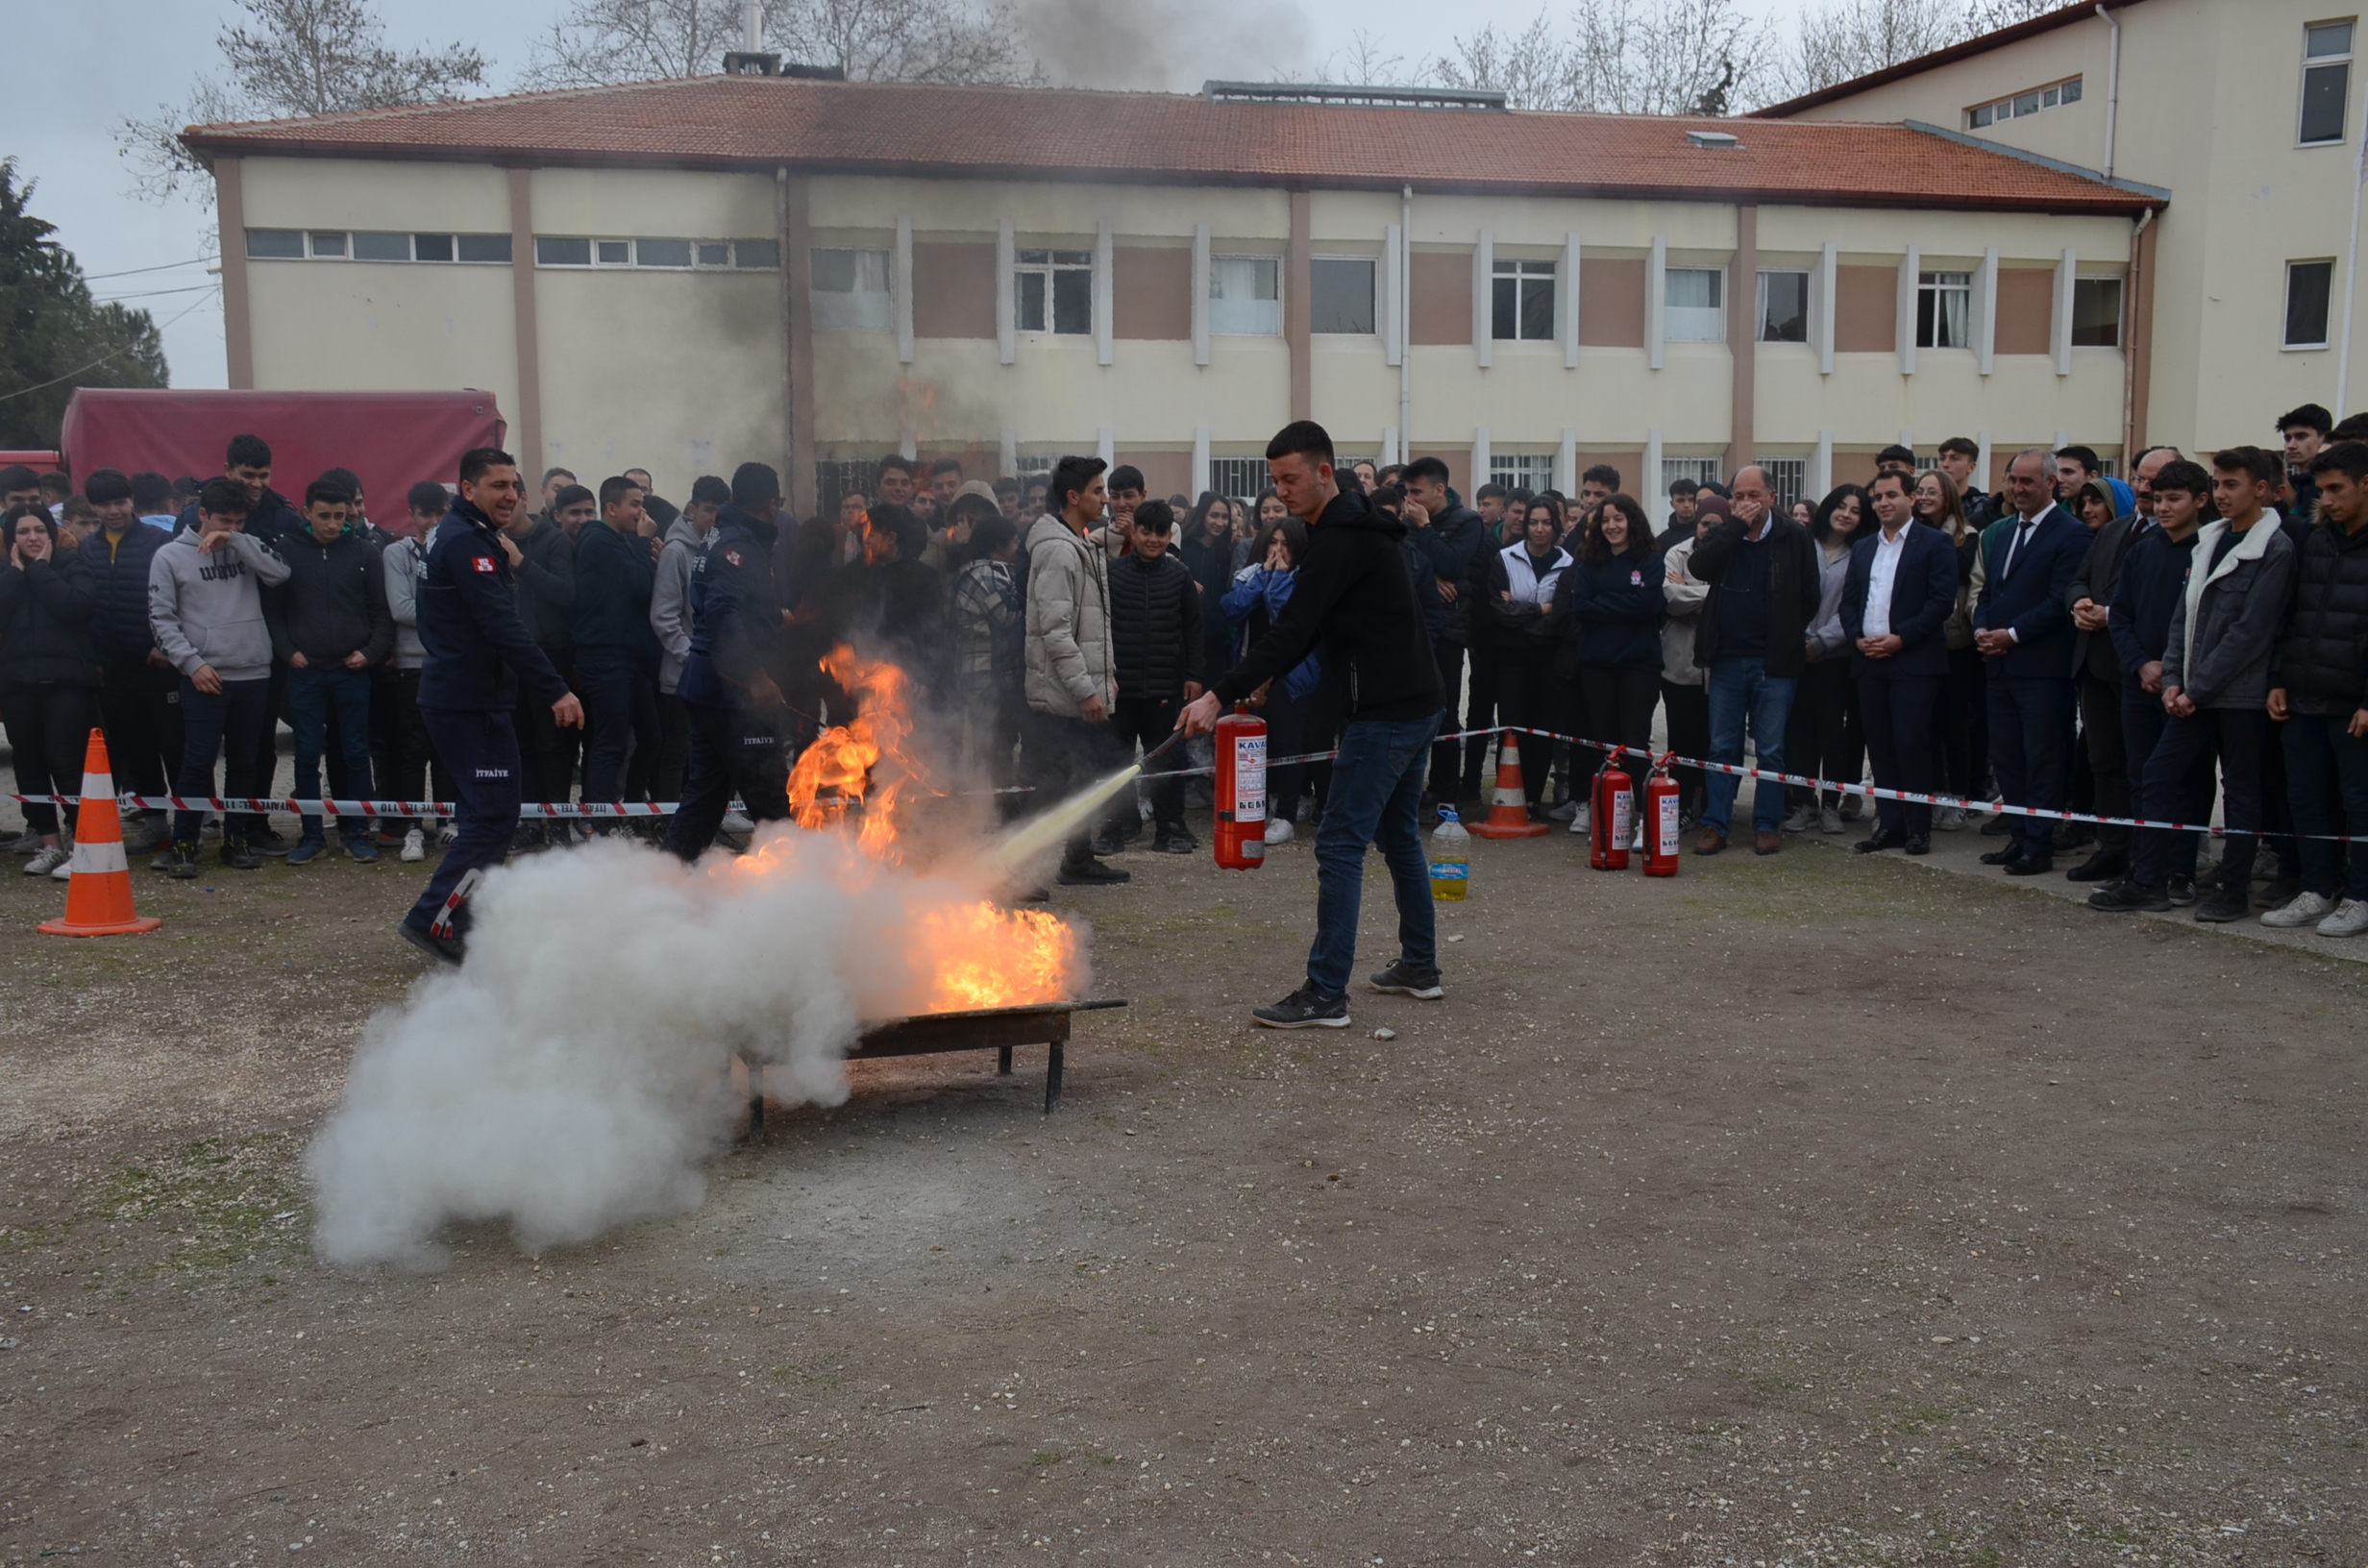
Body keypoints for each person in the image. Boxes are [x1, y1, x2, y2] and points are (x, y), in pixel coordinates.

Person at [1178, 421, 1444, 1030]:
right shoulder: (1351, 529)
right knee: (1398, 834)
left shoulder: (1339, 540)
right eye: (1275, 480)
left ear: (1325, 472)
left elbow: (1293, 627)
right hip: (1415, 700)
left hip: (1388, 711)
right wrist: (1265, 679)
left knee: (1340, 843)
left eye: (1291, 478)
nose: (1282, 491)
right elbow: (1320, 626)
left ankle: (1325, 993)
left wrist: (1220, 693)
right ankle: (1420, 966)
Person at [2093, 449, 2298, 921]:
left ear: (2260, 490)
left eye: (2231, 485)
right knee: (2157, 775)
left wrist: (2194, 688)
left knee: (2240, 792)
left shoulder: (2275, 548)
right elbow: (2184, 618)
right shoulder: (2211, 539)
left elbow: (2250, 632)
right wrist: (2173, 678)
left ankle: (2231, 889)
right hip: (2190, 692)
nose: (2222, 494)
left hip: (2238, 696)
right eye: (2218, 484)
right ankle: (2149, 880)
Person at [403, 449, 584, 960]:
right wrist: (555, 689)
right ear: (468, 489)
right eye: (497, 485)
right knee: (493, 818)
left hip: (470, 696)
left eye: (513, 486)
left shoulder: (470, 535)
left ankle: (462, 921)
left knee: (487, 815)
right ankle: (436, 919)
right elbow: (502, 626)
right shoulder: (467, 542)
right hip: (469, 702)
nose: (510, 496)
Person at [148, 478, 292, 877]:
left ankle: (236, 838)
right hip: (204, 674)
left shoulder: (247, 546)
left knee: (246, 762)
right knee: (197, 763)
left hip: (254, 670)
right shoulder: (169, 556)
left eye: (239, 521)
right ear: (202, 515)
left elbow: (281, 573)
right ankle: (184, 841)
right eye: (223, 521)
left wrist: (238, 540)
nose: (231, 528)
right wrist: (191, 664)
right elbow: (161, 619)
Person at [2096, 459, 2215, 910]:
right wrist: (2139, 664)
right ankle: (2145, 868)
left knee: (2186, 780)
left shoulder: (2208, 551)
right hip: (2139, 682)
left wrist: (2174, 674)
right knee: (2140, 776)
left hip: (2185, 689)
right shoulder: (2142, 550)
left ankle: (2180, 872)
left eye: (2174, 499)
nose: (2163, 507)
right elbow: (2120, 614)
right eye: (2158, 499)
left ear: (2199, 501)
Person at [662, 464, 794, 864]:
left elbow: (733, 604)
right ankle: (800, 884)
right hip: (733, 694)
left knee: (705, 797)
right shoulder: (740, 545)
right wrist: (757, 676)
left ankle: (665, 878)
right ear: (772, 505)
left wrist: (774, 618)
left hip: (707, 687)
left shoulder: (722, 533)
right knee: (772, 801)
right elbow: (722, 612)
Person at [1689, 465, 1822, 855]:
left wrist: (1786, 633)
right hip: (1727, 658)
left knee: (1771, 748)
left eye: (1754, 496)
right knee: (1722, 746)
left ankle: (1767, 824)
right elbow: (1699, 567)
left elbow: (1810, 595)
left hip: (1775, 662)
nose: (1746, 503)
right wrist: (1734, 528)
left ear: (1771, 498)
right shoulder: (1724, 534)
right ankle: (1716, 824)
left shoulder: (1793, 535)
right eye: (1739, 497)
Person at [2264, 439, 2368, 936]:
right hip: (2302, 694)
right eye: (2322, 490)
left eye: (2336, 489)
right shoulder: (2314, 539)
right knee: (2304, 799)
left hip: (2354, 704)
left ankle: (2361, 897)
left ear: (2366, 484)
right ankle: (2316, 889)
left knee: (2359, 802)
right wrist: (2277, 678)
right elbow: (2289, 615)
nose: (2326, 500)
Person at [1974, 449, 2090, 875]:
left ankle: (2040, 844)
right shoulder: (2003, 533)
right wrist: (1982, 628)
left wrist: (2013, 634)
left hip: (2042, 669)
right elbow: (1990, 591)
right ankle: (2020, 835)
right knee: (2008, 757)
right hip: (1999, 666)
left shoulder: (2072, 534)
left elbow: (2059, 600)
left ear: (2050, 483)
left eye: (2027, 481)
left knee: (2042, 757)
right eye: (2013, 480)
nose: (2018, 489)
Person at [273, 477, 391, 864]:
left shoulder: (365, 552)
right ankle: (311, 834)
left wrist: (370, 653)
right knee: (307, 754)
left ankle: (357, 831)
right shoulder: (288, 551)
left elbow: (381, 612)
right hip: (306, 670)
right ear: (307, 512)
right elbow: (273, 610)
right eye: (324, 516)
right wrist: (288, 651)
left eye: (340, 516)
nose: (333, 524)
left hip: (351, 669)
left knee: (355, 752)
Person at [1022, 454, 1127, 886]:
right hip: (1062, 696)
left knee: (1082, 777)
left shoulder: (1079, 542)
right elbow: (1056, 632)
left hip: (1079, 688)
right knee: (1053, 784)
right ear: (1073, 496)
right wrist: (1085, 690)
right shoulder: (1059, 551)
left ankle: (1077, 859)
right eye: (1098, 491)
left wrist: (1104, 676)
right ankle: (1017, 871)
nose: (1106, 499)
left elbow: (1092, 626)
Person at [1842, 470, 1960, 854]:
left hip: (1913, 662)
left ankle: (1918, 827)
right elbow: (1850, 601)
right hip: (1869, 662)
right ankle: (1890, 825)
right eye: (1877, 497)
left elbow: (1941, 602)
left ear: (1911, 498)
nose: (1883, 503)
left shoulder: (1935, 543)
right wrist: (1857, 637)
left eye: (1891, 495)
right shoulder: (1864, 548)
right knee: (1880, 747)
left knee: (1911, 744)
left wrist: (1901, 637)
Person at [2062, 453, 2166, 884]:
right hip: (2097, 663)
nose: (2145, 488)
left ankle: (2150, 856)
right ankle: (2113, 847)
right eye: (2139, 478)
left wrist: (2112, 614)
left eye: (2155, 481)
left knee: (2144, 768)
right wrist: (2080, 604)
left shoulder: (2179, 538)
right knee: (2104, 761)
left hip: (2144, 667)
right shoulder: (2113, 530)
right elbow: (2078, 578)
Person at [77, 469, 178, 854]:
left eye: (120, 502)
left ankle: (196, 821)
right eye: (104, 504)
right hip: (114, 668)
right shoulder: (88, 549)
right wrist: (95, 659)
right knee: (135, 748)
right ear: (92, 507)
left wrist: (164, 645)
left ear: (131, 501)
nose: (113, 511)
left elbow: (181, 597)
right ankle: (155, 824)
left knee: (177, 747)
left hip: (159, 664)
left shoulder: (159, 542)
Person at [0, 505, 100, 879]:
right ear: (11, 538)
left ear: (52, 533)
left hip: (66, 682)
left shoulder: (71, 565)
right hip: (17, 683)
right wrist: (16, 574)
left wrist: (40, 570)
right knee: (28, 762)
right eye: (23, 531)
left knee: (66, 761)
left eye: (39, 530)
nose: (32, 538)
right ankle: (50, 844)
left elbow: (76, 606)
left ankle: (84, 842)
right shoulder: (6, 572)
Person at [1555, 493, 1664, 832]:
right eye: (1605, 520)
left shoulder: (1650, 560)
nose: (1612, 526)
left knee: (1634, 743)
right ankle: (1609, 820)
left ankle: (1644, 820)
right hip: (1597, 667)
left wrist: (1604, 603)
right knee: (1604, 744)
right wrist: (1626, 604)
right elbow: (1581, 607)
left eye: (1618, 519)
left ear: (1632, 521)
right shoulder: (1590, 561)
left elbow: (1649, 605)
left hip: (1639, 666)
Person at [1099, 499, 1202, 855]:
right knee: (1114, 761)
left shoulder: (1179, 575)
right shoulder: (1112, 574)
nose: (1153, 540)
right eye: (1146, 532)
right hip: (1119, 688)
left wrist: (1194, 675)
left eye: (1161, 533)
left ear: (1169, 535)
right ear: (1134, 532)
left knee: (1164, 761)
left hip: (1164, 688)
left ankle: (1170, 827)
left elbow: (1194, 630)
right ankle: (1114, 827)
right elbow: (1100, 630)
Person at [1222, 515, 1322, 845]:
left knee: (1288, 746)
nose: (1278, 550)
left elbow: (1285, 615)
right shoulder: (1250, 574)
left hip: (1292, 676)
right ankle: (1258, 809)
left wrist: (1277, 578)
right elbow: (1233, 610)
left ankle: (1286, 816)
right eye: (1273, 543)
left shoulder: (1305, 579)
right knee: (1254, 747)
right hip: (1251, 673)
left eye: (1286, 544)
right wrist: (1263, 577)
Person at [574, 475, 662, 830]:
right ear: (611, 508)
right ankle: (602, 825)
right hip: (605, 656)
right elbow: (638, 585)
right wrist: (643, 544)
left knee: (651, 737)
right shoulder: (598, 540)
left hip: (630, 656)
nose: (642, 512)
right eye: (635, 504)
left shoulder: (621, 540)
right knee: (611, 742)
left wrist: (648, 553)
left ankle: (632, 811)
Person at [1404, 456, 1492, 808]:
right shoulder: (1407, 520)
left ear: (1439, 490)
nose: (1410, 500)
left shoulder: (1468, 521)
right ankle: (1412, 790)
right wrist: (1432, 579)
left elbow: (1453, 563)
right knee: (1412, 712)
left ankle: (1446, 792)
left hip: (1449, 632)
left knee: (1445, 713)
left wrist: (1426, 529)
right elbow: (1403, 561)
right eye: (1407, 492)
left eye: (1417, 492)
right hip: (1414, 628)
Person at [1783, 484, 1869, 835]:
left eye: (1856, 510)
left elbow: (1856, 607)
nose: (1846, 514)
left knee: (1834, 735)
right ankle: (1804, 803)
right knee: (1799, 734)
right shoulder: (1804, 545)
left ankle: (1831, 804)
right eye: (1841, 506)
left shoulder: (1861, 553)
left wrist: (1821, 643)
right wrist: (1802, 641)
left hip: (1837, 657)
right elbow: (1789, 596)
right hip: (1797, 654)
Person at [503, 468, 579, 844]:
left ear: (524, 498)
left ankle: (559, 822)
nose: (505, 508)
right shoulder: (487, 541)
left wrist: (520, 562)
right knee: (520, 744)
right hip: (510, 658)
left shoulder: (552, 539)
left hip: (550, 657)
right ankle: (530, 822)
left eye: (510, 499)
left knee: (553, 744)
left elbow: (565, 594)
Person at [1484, 497, 1572, 820]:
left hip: (1550, 658)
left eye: (1546, 522)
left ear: (1556, 525)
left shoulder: (1569, 563)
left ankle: (1533, 799)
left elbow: (1562, 615)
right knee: (1512, 727)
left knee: (1542, 730)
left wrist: (1521, 613)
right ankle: (1507, 797)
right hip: (1512, 658)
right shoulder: (1505, 558)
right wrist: (1540, 609)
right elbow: (1500, 612)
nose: (1539, 529)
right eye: (1533, 522)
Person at [380, 480, 451, 861]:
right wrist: (451, 612)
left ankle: (446, 822)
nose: (433, 521)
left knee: (446, 748)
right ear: (412, 515)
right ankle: (412, 828)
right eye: (426, 514)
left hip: (451, 664)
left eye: (440, 513)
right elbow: (401, 609)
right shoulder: (396, 553)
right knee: (413, 749)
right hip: (411, 665)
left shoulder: (454, 549)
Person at [1912, 468, 1984, 830]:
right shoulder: (1909, 533)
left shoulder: (1966, 537)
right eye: (1920, 491)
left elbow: (1951, 575)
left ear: (1948, 497)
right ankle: (1935, 794)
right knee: (1927, 726)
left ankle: (1959, 797)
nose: (1924, 497)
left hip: (1955, 643)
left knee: (1955, 726)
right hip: (1919, 642)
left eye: (1932, 492)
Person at [652, 474, 728, 805]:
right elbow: (663, 616)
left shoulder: (722, 549)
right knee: (677, 751)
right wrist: (693, 656)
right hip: (682, 675)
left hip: (718, 673)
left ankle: (711, 815)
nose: (714, 518)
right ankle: (669, 817)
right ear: (692, 509)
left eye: (720, 511)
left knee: (711, 753)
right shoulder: (675, 552)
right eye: (709, 509)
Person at [950, 511, 1026, 793]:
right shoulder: (984, 574)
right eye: (1015, 542)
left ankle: (998, 802)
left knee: (997, 744)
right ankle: (995, 804)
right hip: (986, 678)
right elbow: (1007, 615)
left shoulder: (985, 570)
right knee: (994, 747)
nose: (1018, 548)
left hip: (991, 676)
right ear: (999, 544)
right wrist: (1028, 590)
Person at [1658, 496, 1718, 829]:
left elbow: (1738, 598)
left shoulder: (1734, 554)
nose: (1709, 530)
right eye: (1705, 523)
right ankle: (1680, 805)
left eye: (1717, 525)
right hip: (1679, 664)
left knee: (1715, 741)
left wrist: (1695, 597)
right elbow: (1671, 597)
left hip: (1718, 668)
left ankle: (1711, 807)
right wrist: (1714, 596)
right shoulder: (1676, 553)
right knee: (1681, 739)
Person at [2280, 404, 2333, 522]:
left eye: (2301, 437)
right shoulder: (2289, 483)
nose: (2291, 445)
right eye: (2288, 438)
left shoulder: (2332, 483)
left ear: (2324, 439)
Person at [1935, 436, 1992, 527]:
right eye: (1942, 458)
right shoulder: (1927, 501)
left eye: (1955, 458)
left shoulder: (1984, 507)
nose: (1945, 464)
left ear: (1971, 467)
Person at [1657, 477, 1701, 551]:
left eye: (1691, 500)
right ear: (1672, 504)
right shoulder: (1661, 542)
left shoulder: (1705, 534)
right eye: (1681, 500)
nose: (1686, 505)